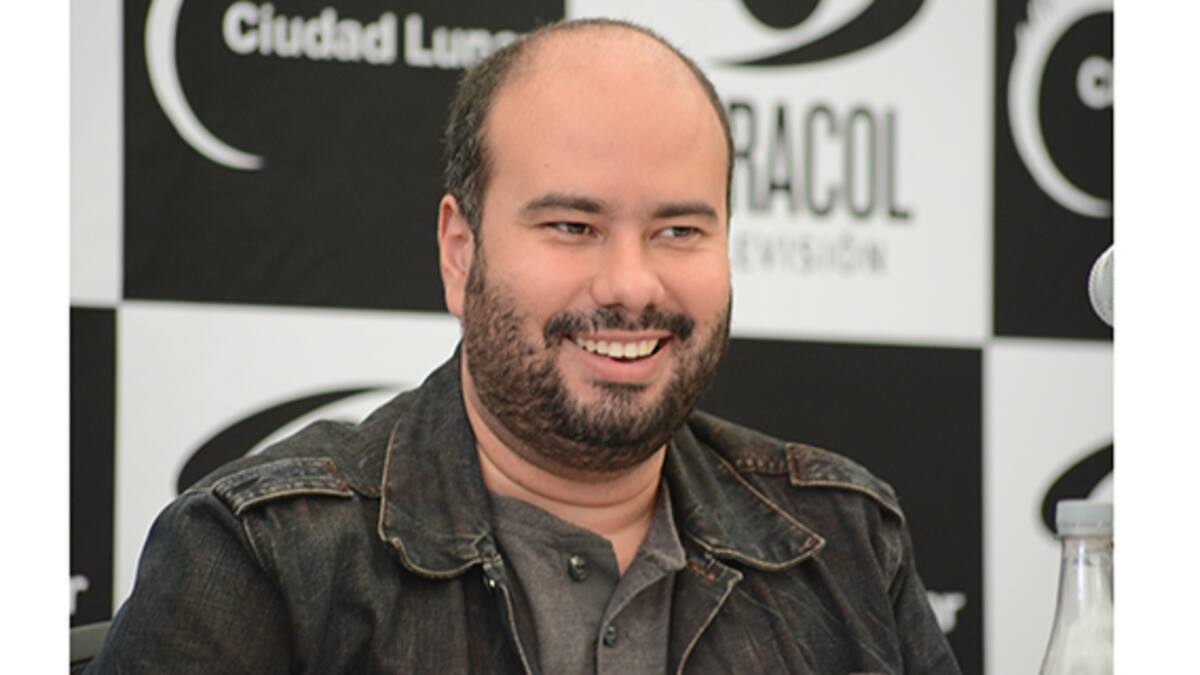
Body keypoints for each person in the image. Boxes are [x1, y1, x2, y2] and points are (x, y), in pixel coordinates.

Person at [87, 18, 961, 674]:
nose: (631, 284)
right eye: (573, 225)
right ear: (459, 252)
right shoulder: (264, 554)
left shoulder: (846, 538)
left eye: (680, 230)